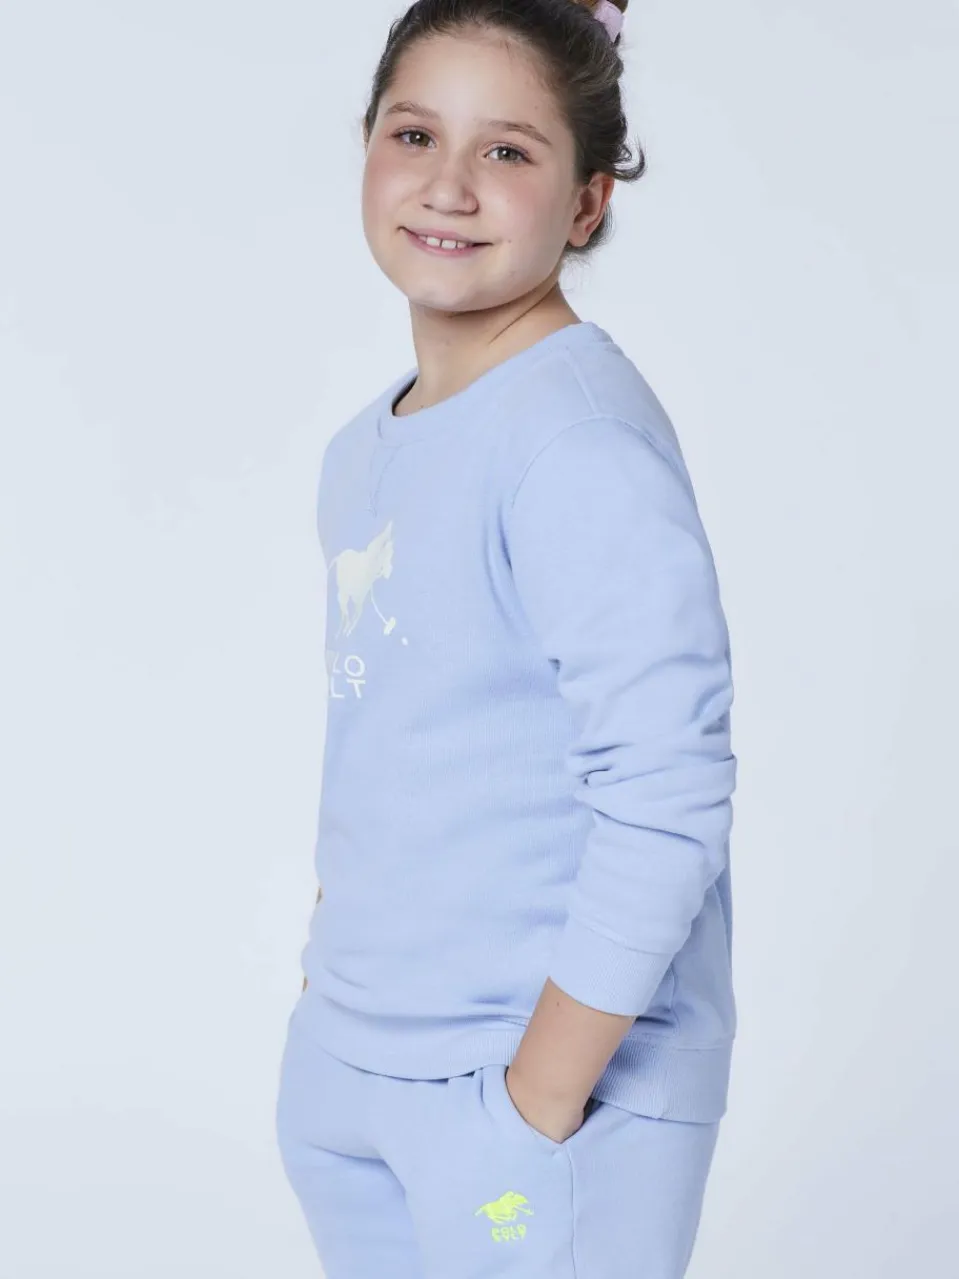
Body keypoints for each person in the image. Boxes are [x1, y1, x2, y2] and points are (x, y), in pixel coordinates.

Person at [274, 2, 738, 1275]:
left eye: (507, 151)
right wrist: (328, 1002)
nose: (447, 185)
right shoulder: (364, 449)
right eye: (414, 133)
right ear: (366, 144)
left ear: (586, 203)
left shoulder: (574, 442)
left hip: (529, 1100)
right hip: (355, 1070)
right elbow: (397, 740)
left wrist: (535, 1100)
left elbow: (667, 791)